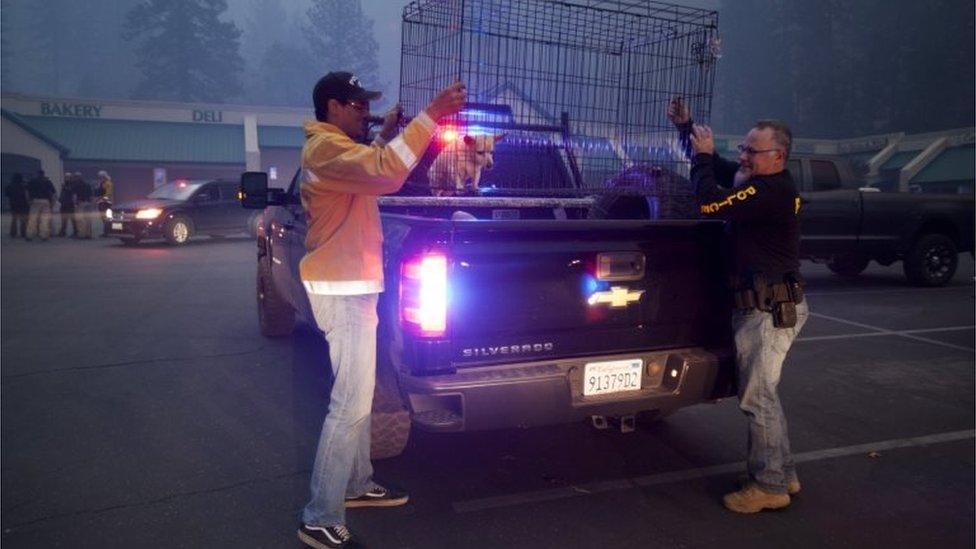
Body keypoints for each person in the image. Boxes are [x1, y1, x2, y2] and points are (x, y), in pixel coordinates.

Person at [295, 72, 465, 549]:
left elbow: (373, 163)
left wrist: (389, 132)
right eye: (356, 105)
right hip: (342, 290)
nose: (364, 112)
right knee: (347, 406)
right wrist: (432, 116)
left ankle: (357, 484)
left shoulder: (337, 150)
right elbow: (386, 172)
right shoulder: (325, 150)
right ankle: (319, 515)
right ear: (332, 106)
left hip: (354, 286)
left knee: (359, 399)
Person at [668, 97, 808, 513]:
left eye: (752, 150)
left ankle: (769, 485)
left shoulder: (770, 192)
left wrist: (706, 158)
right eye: (744, 148)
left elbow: (709, 201)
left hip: (767, 311)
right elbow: (720, 170)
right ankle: (782, 473)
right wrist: (687, 129)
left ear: (778, 156)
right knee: (766, 394)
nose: (743, 156)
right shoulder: (762, 184)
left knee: (758, 398)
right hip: (773, 304)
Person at [25, 170, 56, 241]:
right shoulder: (48, 182)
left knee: (32, 219)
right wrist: (52, 203)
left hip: (35, 201)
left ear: (37, 174)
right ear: (43, 174)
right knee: (44, 219)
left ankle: (29, 235)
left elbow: (26, 191)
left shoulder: (32, 181)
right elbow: (54, 193)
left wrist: (28, 201)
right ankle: (44, 235)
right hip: (46, 201)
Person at [6, 173, 29, 238]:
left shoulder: (9, 186)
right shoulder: (24, 186)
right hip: (23, 204)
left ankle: (13, 233)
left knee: (14, 219)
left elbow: (7, 195)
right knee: (23, 220)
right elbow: (26, 195)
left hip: (13, 204)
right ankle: (23, 233)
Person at [73, 172, 94, 239]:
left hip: (80, 203)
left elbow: (75, 196)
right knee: (88, 219)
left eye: (75, 177)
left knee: (80, 220)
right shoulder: (87, 184)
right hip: (88, 203)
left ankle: (82, 234)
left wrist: (75, 203)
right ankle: (88, 234)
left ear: (77, 177)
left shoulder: (76, 185)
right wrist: (92, 204)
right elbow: (91, 196)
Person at [58, 172, 77, 237]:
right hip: (64, 204)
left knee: (72, 219)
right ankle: (63, 231)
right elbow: (62, 193)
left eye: (68, 177)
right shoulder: (64, 185)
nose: (66, 178)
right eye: (66, 177)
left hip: (70, 204)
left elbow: (73, 193)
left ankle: (75, 231)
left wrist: (74, 203)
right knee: (63, 219)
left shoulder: (73, 184)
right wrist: (60, 199)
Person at [96, 170, 114, 236]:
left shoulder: (108, 183)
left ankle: (108, 232)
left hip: (106, 203)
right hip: (102, 202)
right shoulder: (101, 183)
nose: (100, 178)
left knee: (107, 218)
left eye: (101, 177)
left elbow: (108, 194)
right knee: (103, 218)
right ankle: (106, 231)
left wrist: (102, 199)